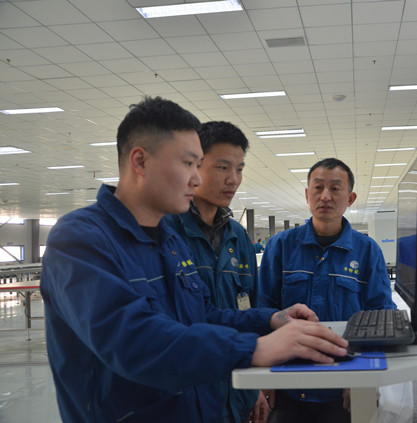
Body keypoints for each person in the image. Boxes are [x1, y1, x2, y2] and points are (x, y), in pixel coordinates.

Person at [40, 97, 349, 423]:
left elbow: (203, 315)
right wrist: (254, 349)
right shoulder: (80, 239)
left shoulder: (168, 241)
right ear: (140, 162)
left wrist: (271, 319)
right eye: (188, 164)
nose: (197, 179)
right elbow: (131, 340)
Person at [259, 158, 396, 423]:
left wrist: (362, 376)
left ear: (350, 198)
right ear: (307, 194)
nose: (325, 196)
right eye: (318, 187)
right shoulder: (281, 246)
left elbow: (381, 316)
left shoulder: (367, 251)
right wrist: (262, 376)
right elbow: (263, 310)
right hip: (287, 382)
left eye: (335, 188)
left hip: (343, 385)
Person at [164, 120, 268, 423]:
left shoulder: (237, 235)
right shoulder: (166, 231)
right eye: (223, 167)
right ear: (194, 165)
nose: (233, 179)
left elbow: (251, 308)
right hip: (188, 397)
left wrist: (255, 385)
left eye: (239, 169)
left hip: (237, 396)